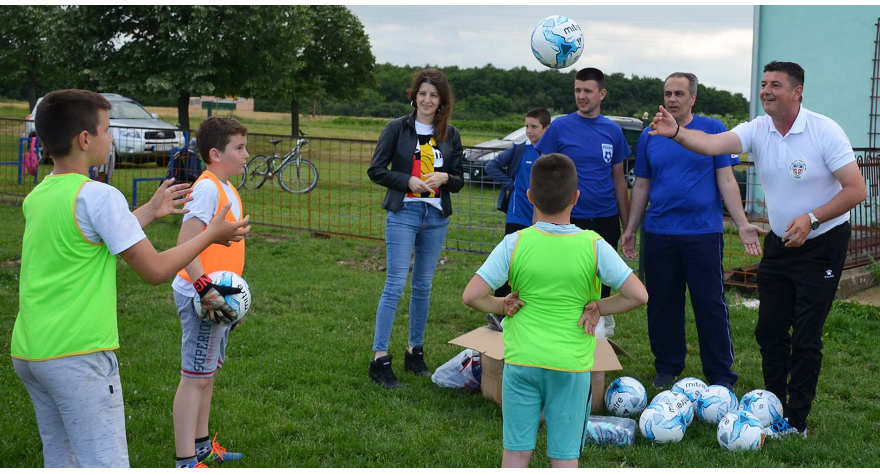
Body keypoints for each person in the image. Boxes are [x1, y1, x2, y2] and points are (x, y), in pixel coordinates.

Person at [11, 89, 250, 468]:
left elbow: (92, 238)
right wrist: (210, 235)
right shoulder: (99, 195)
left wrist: (150, 212)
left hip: (30, 352)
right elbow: (155, 270)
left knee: (62, 460)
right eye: (106, 130)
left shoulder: (40, 194)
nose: (110, 138)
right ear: (85, 139)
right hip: (78, 353)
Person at [649, 61, 866, 438]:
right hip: (781, 244)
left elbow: (856, 189)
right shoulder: (758, 129)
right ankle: (771, 405)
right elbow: (714, 144)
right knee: (769, 330)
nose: (766, 90)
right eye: (763, 84)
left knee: (806, 336)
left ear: (797, 91)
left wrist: (812, 218)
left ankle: (796, 421)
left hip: (822, 244)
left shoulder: (823, 130)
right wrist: (678, 132)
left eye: (775, 85)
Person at [463, 153, 647, 468]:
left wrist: (501, 304)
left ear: (530, 196)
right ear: (576, 197)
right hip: (571, 367)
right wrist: (600, 307)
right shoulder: (594, 245)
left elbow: (472, 295)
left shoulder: (515, 242)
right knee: (564, 457)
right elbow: (638, 295)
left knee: (516, 453)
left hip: (522, 361)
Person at [622, 72, 768, 390]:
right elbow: (642, 184)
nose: (672, 98)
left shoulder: (713, 130)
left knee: (709, 303)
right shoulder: (650, 134)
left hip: (703, 233)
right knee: (662, 303)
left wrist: (742, 222)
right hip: (659, 232)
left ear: (693, 98)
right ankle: (667, 367)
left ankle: (720, 375)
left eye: (678, 93)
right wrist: (632, 228)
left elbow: (727, 180)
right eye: (667, 93)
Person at [366, 68, 464, 388]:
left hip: (436, 218)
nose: (426, 99)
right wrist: (406, 180)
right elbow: (376, 170)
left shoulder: (452, 134)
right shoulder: (396, 128)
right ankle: (380, 359)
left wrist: (446, 178)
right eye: (422, 93)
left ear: (442, 101)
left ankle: (414, 352)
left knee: (422, 286)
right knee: (395, 284)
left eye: (433, 95)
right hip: (404, 213)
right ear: (414, 96)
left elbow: (461, 179)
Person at [171, 117, 251, 467]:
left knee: (207, 374)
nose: (247, 154)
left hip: (218, 299)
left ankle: (202, 447)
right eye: (240, 148)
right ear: (215, 153)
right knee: (193, 379)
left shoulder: (227, 186)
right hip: (201, 296)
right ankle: (186, 461)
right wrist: (206, 289)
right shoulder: (206, 188)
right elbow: (185, 244)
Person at [535, 67, 632, 337]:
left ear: (602, 94)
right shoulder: (560, 127)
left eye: (587, 90)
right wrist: (537, 224)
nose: (581, 95)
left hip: (605, 220)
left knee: (602, 283)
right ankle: (561, 331)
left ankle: (598, 335)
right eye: (577, 90)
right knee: (565, 279)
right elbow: (543, 178)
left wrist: (628, 228)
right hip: (567, 219)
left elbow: (620, 181)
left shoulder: (613, 131)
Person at [484, 107, 551, 325]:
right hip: (516, 217)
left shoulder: (551, 154)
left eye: (534, 127)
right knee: (510, 264)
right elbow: (491, 165)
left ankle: (529, 308)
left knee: (534, 266)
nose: (529, 131)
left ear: (546, 128)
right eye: (526, 126)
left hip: (541, 221)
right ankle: (498, 310)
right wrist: (509, 184)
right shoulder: (520, 150)